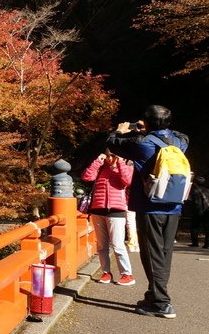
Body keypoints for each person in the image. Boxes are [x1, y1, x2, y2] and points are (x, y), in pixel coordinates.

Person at [106, 104, 189, 318]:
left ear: (147, 121)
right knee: (163, 253)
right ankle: (153, 296)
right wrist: (150, 127)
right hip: (174, 206)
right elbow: (179, 133)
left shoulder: (142, 143)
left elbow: (112, 143)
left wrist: (122, 130)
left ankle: (162, 303)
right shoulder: (180, 142)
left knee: (151, 254)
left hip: (150, 206)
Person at [81, 150, 135, 285]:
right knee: (101, 245)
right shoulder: (100, 168)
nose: (110, 159)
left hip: (116, 211)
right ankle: (106, 272)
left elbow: (128, 181)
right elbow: (87, 177)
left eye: (113, 156)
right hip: (98, 210)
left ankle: (127, 274)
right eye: (108, 155)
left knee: (117, 245)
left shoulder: (125, 167)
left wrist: (120, 162)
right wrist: (98, 160)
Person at [188, 176, 209, 248]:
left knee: (194, 227)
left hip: (198, 211)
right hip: (207, 211)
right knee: (207, 227)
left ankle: (195, 243)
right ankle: (207, 244)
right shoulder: (207, 190)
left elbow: (191, 202)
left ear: (195, 183)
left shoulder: (194, 191)